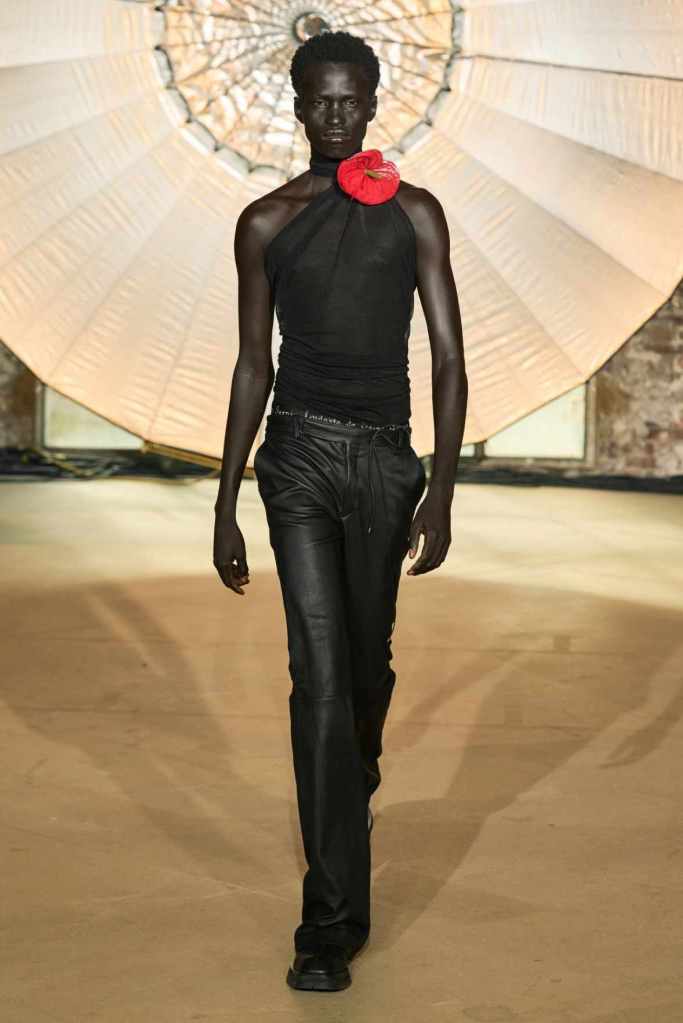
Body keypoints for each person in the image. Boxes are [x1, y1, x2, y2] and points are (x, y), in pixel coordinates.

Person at [213, 29, 467, 992]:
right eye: (318, 100)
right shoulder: (264, 222)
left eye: (349, 100)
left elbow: (448, 358)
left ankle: (347, 785)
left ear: (371, 102)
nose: (333, 115)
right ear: (295, 104)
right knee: (318, 678)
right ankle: (327, 925)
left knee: (364, 673)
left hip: (386, 464)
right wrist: (226, 499)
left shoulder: (415, 212)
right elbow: (253, 364)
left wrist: (440, 489)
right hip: (298, 461)